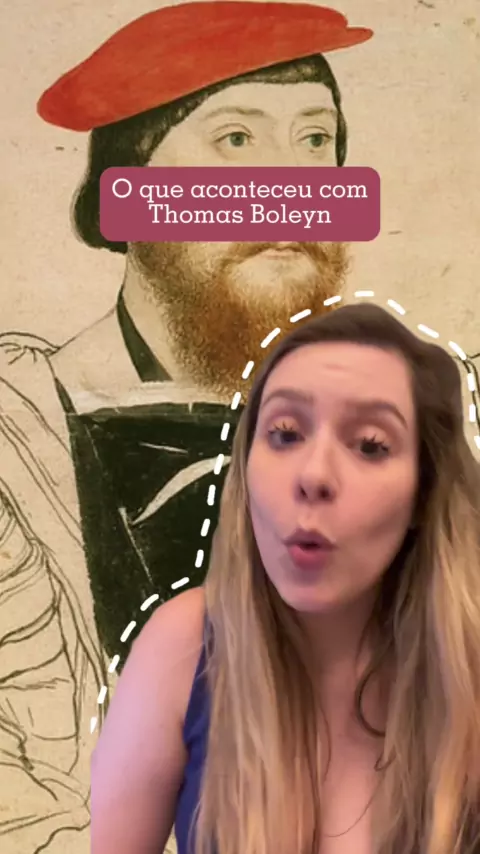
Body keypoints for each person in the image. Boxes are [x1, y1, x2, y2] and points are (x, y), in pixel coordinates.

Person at [0, 6, 373, 852]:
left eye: (316, 141)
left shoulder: (429, 420)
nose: (289, 185)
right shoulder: (17, 434)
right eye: (235, 139)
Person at [91, 302, 480, 854]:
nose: (314, 474)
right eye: (285, 433)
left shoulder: (469, 672)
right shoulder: (183, 647)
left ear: (424, 492)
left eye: (370, 445)